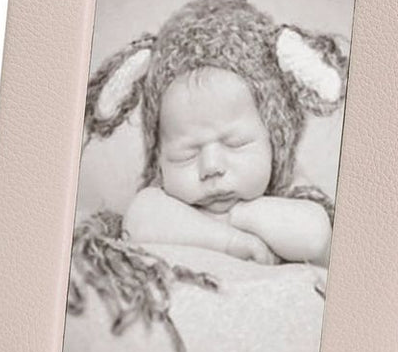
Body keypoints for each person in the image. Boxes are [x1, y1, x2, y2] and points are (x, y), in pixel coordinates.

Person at [123, 65, 332, 266]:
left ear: (274, 144)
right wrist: (229, 241)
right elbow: (136, 220)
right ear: (159, 163)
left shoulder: (286, 185)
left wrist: (239, 213)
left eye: (235, 144)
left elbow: (316, 238)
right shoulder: (164, 201)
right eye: (186, 155)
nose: (211, 167)